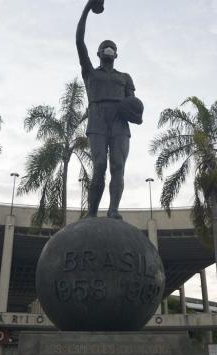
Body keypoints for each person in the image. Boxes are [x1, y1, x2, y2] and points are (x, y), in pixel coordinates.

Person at [76, 0, 142, 220]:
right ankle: (92, 213)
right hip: (97, 119)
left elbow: (133, 105)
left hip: (119, 122)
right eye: (105, 46)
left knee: (118, 165)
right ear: (98, 53)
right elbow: (79, 41)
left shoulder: (125, 77)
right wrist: (87, 9)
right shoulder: (90, 73)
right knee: (100, 165)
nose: (109, 48)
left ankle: (113, 210)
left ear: (116, 54)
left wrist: (136, 111)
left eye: (112, 46)